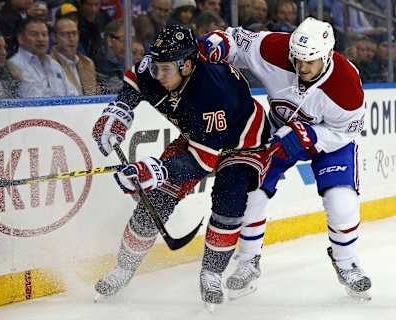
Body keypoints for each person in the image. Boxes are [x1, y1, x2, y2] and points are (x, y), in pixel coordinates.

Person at [91, 25, 272, 308]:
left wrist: (157, 169)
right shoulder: (158, 66)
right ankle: (123, 268)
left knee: (229, 199)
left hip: (244, 143)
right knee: (158, 199)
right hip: (198, 137)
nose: (158, 76)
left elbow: (203, 162)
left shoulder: (213, 92)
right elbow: (134, 81)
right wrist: (120, 110)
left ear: (187, 65)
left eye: (166, 70)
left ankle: (212, 273)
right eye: (156, 67)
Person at [198, 17, 371, 300]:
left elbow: (345, 131)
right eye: (297, 59)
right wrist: (219, 43)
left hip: (329, 141)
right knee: (252, 193)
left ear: (327, 55)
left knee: (342, 202)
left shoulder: (345, 86)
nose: (301, 67)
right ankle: (247, 262)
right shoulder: (276, 49)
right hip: (277, 133)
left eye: (310, 62)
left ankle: (346, 261)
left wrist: (310, 136)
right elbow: (237, 42)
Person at [9, 18, 77, 98]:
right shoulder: (14, 65)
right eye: (34, 35)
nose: (41, 39)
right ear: (20, 39)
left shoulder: (54, 65)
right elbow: (30, 100)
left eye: (44, 35)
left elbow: (73, 95)